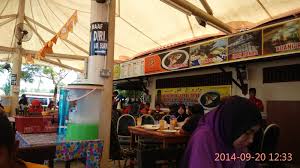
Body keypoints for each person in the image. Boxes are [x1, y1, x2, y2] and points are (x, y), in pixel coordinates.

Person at [181, 96, 262, 168]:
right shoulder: (204, 138)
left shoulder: (233, 141)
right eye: (247, 133)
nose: (251, 140)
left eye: (254, 133)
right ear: (231, 125)